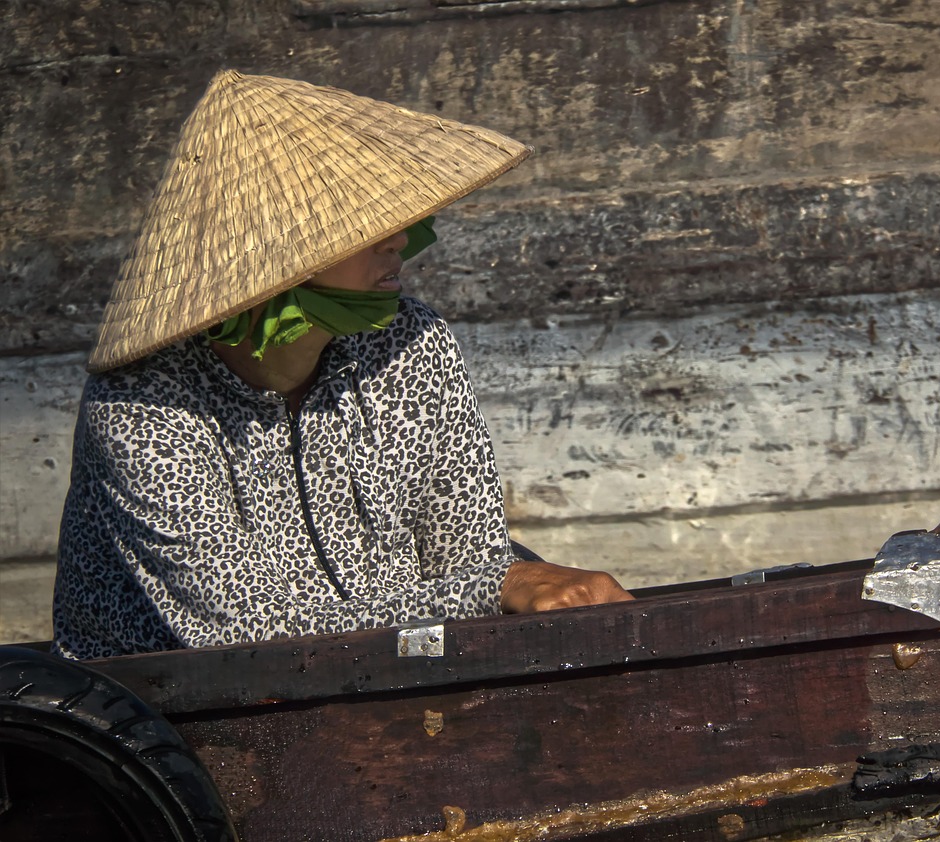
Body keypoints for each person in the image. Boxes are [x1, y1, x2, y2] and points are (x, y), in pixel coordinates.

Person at [52, 70, 631, 661]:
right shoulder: (142, 404)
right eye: (361, 228)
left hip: (395, 671)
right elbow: (242, 632)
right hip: (168, 713)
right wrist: (493, 587)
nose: (399, 240)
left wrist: (507, 583)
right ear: (278, 259)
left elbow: (468, 552)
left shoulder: (411, 341)